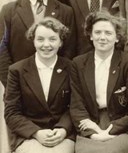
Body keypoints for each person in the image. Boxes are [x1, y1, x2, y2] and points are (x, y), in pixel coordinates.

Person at [69, 10, 128, 153]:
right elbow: (76, 106)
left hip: (123, 125)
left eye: (108, 33)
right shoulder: (78, 64)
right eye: (97, 32)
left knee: (112, 150)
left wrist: (111, 130)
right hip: (91, 123)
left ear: (117, 38)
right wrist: (92, 131)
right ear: (91, 36)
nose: (102, 37)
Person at [0, 0, 76, 87]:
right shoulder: (9, 11)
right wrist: (13, 84)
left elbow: (68, 50)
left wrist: (58, 84)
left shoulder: (66, 12)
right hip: (18, 88)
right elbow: (2, 52)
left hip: (54, 89)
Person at [4, 17, 75, 153]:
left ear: (61, 42)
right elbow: (11, 113)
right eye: (40, 39)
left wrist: (63, 129)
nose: (46, 45)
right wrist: (36, 132)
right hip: (29, 135)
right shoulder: (17, 70)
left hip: (62, 135)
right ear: (33, 41)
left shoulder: (71, 68)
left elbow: (76, 106)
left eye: (52, 39)